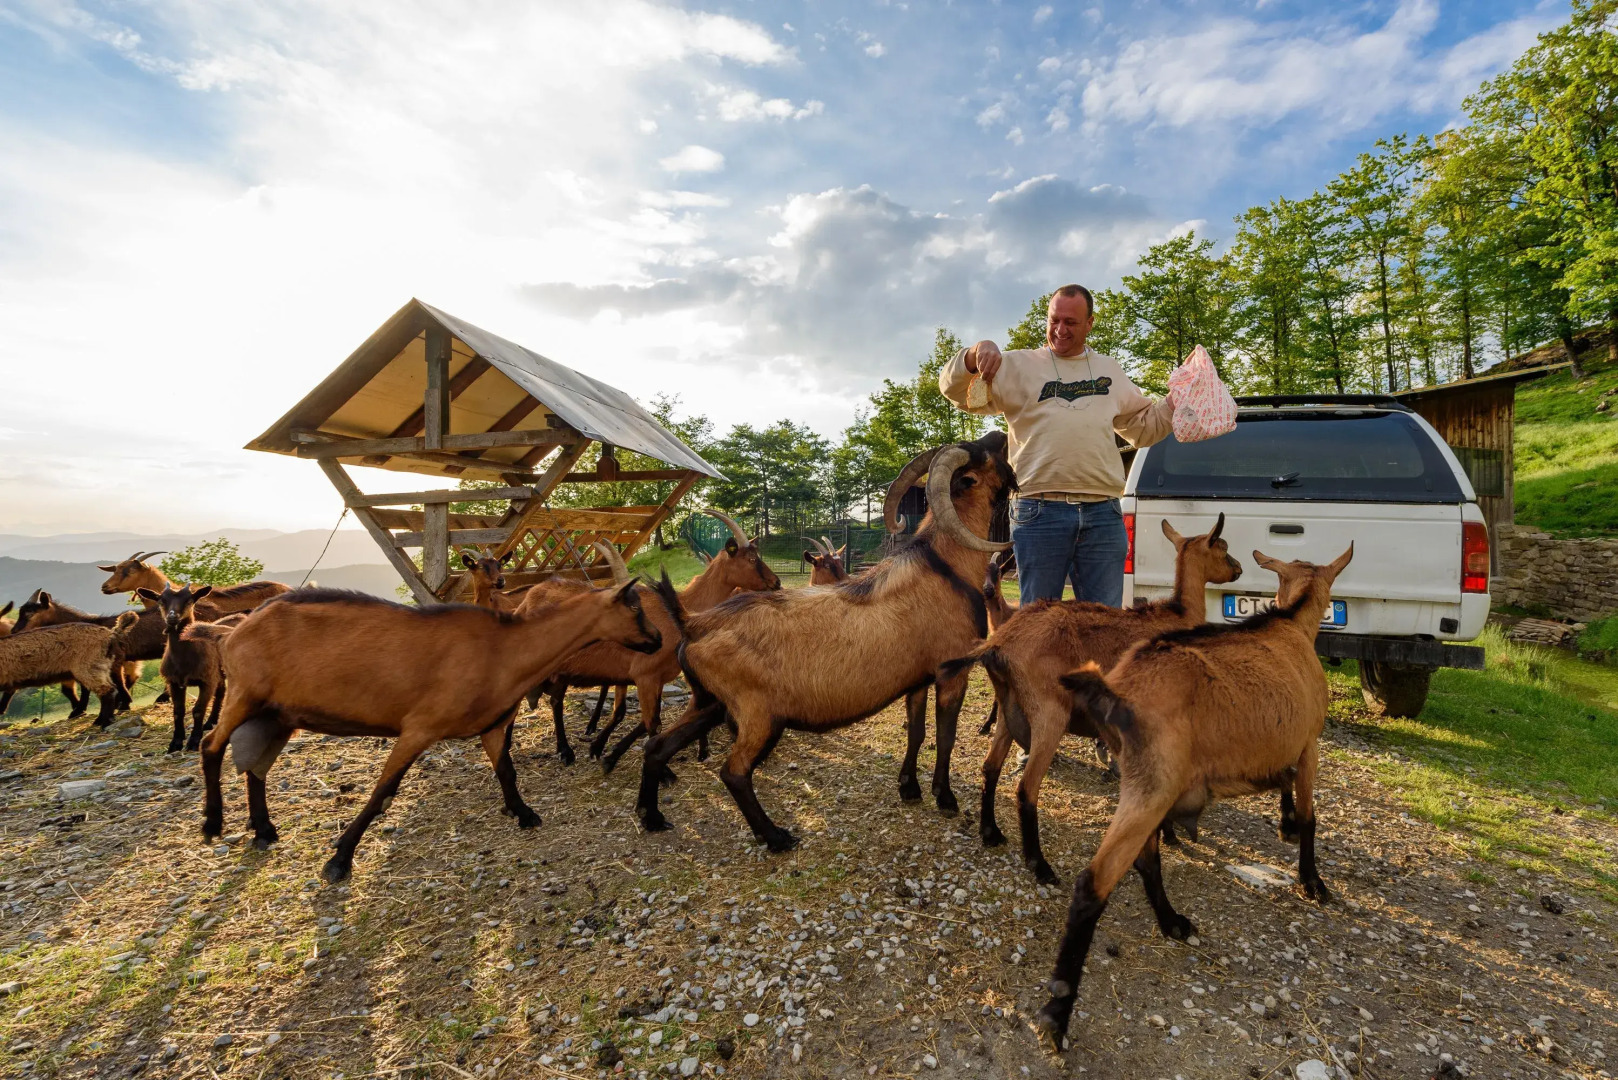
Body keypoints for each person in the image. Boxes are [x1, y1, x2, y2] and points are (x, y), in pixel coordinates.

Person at [940, 284, 1174, 607]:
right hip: (1039, 513)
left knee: (1102, 627)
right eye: (1054, 320)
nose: (1060, 330)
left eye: (1071, 323)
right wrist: (974, 353)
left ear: (1090, 323)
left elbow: (1144, 429)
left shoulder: (1110, 371)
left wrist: (1176, 403)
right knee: (1037, 630)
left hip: (1103, 515)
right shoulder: (1018, 366)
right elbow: (952, 389)